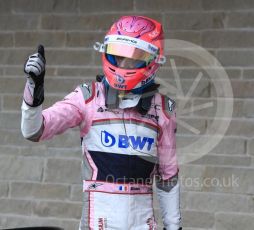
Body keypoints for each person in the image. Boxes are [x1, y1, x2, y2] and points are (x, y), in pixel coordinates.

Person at [21, 15, 182, 230]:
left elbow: (168, 178)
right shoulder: (87, 98)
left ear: (153, 61)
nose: (124, 64)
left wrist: (174, 226)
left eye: (134, 58)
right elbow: (34, 131)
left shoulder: (162, 109)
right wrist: (34, 90)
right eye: (117, 55)